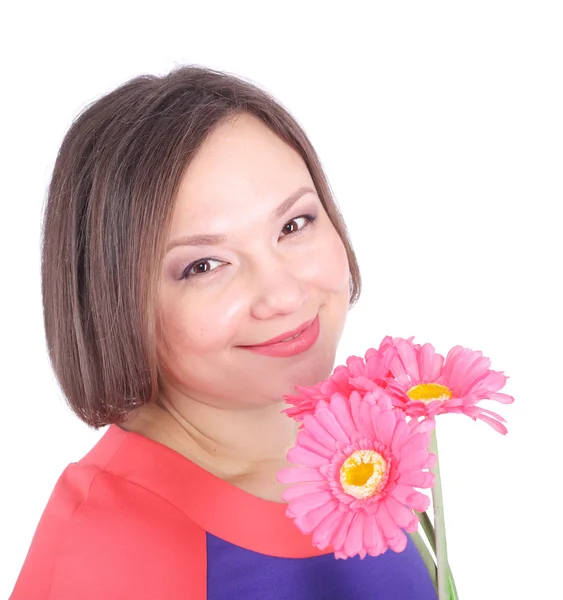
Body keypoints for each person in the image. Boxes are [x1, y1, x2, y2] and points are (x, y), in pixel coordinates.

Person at [10, 65, 437, 599]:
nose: (283, 295)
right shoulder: (105, 545)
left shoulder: (370, 460)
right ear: (114, 303)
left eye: (294, 225)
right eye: (205, 265)